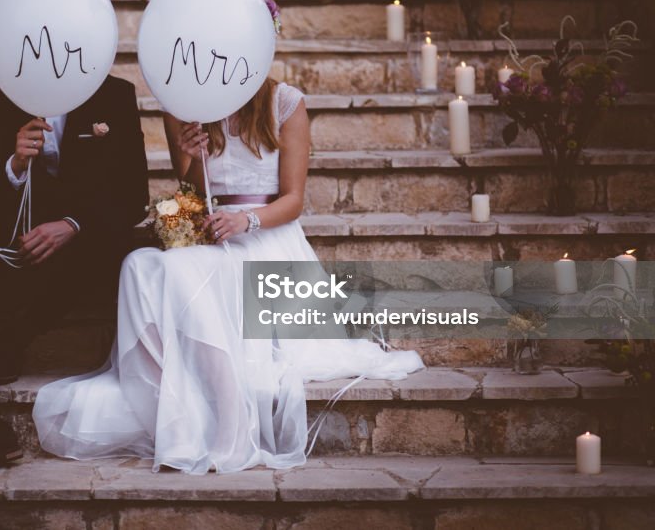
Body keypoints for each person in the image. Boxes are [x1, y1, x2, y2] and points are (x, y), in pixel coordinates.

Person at [33, 66, 424, 474]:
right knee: (137, 266)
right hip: (212, 235)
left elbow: (293, 200)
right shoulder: (182, 108)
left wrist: (247, 221)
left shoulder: (284, 102)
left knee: (184, 273)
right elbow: (194, 195)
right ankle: (169, 404)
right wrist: (190, 154)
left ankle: (231, 419)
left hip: (267, 238)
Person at [0, 74, 149, 478]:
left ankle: (13, 340)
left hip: (90, 245)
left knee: (130, 253)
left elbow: (134, 196)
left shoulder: (113, 93)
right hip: (17, 243)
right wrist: (13, 163)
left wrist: (73, 224)